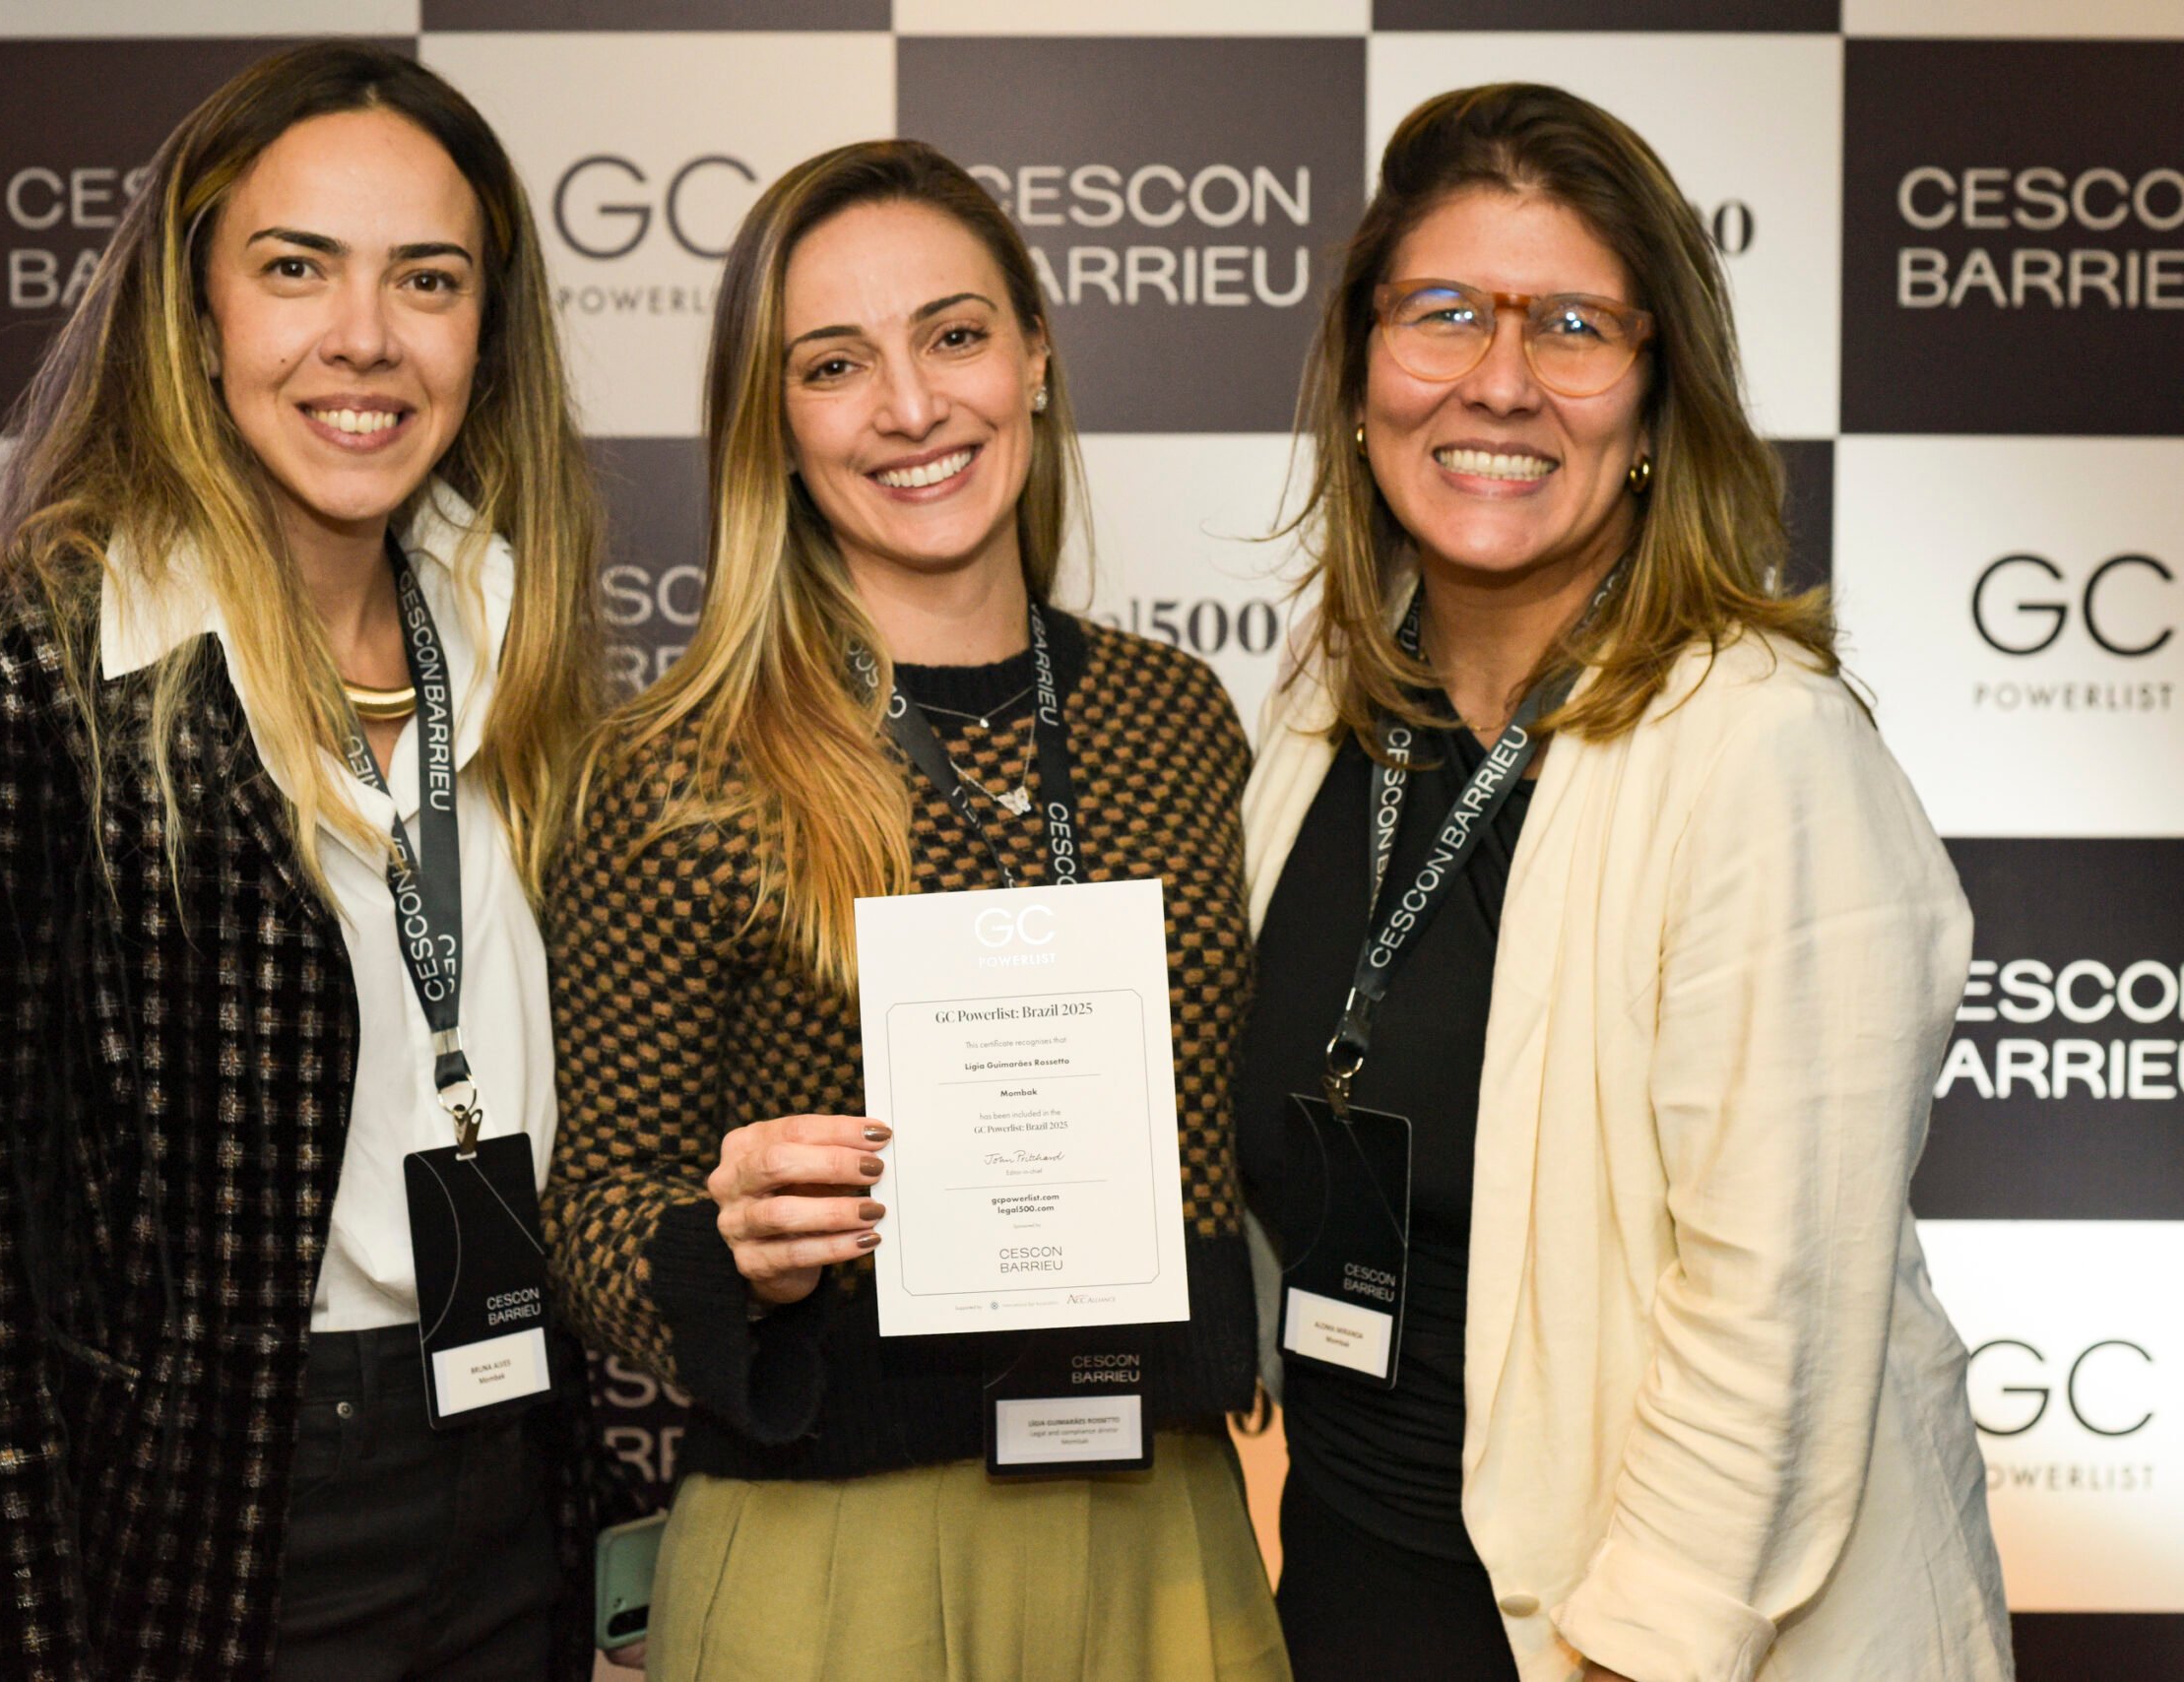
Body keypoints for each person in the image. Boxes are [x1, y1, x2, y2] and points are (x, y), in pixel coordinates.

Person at [0, 42, 602, 1681]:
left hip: (511, 1465)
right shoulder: (20, 675)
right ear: (195, 315)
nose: (366, 336)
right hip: (233, 1515)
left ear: (488, 332)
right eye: (295, 268)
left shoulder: (509, 629)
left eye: (428, 278)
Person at [1236, 83, 2012, 1682]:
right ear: (1364, 374)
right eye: (1445, 313)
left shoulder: (1762, 749)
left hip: (1642, 1636)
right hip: (1354, 1582)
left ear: (1657, 407)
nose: (1500, 380)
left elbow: (1772, 1321)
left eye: (1575, 327)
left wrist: (1633, 1655)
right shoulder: (1321, 712)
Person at [542, 140, 1285, 1682]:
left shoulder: (1175, 717)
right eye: (834, 364)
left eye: (953, 335)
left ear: (1035, 357)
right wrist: (730, 1243)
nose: (910, 405)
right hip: (838, 1550)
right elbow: (594, 1210)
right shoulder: (680, 769)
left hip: (1164, 1520)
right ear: (772, 423)